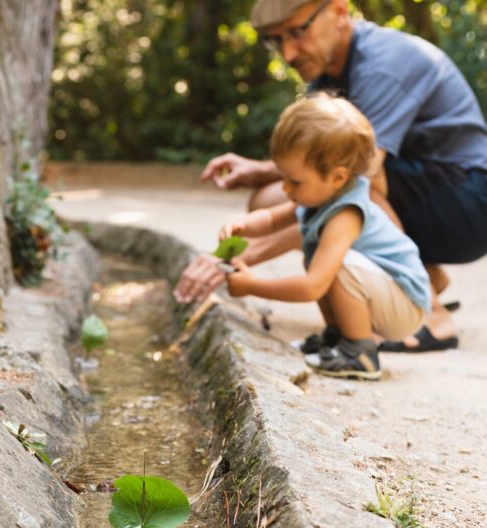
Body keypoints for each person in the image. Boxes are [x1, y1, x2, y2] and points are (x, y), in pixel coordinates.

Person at [174, 0, 487, 354]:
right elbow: (315, 177)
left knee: (351, 184)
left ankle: (433, 316)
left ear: (339, 11)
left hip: (466, 201)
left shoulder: (382, 64)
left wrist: (224, 265)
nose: (288, 53)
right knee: (271, 196)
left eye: (296, 32)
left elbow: (356, 174)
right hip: (419, 191)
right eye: (276, 40)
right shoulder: (326, 74)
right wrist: (259, 174)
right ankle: (425, 274)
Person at [221, 93, 430, 379]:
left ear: (338, 177)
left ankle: (360, 353)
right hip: (385, 294)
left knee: (334, 265)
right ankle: (337, 337)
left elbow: (312, 287)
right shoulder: (319, 196)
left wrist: (252, 285)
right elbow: (271, 220)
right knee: (319, 256)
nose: (285, 188)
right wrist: (241, 224)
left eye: (294, 181)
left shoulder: (346, 213)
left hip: (405, 304)